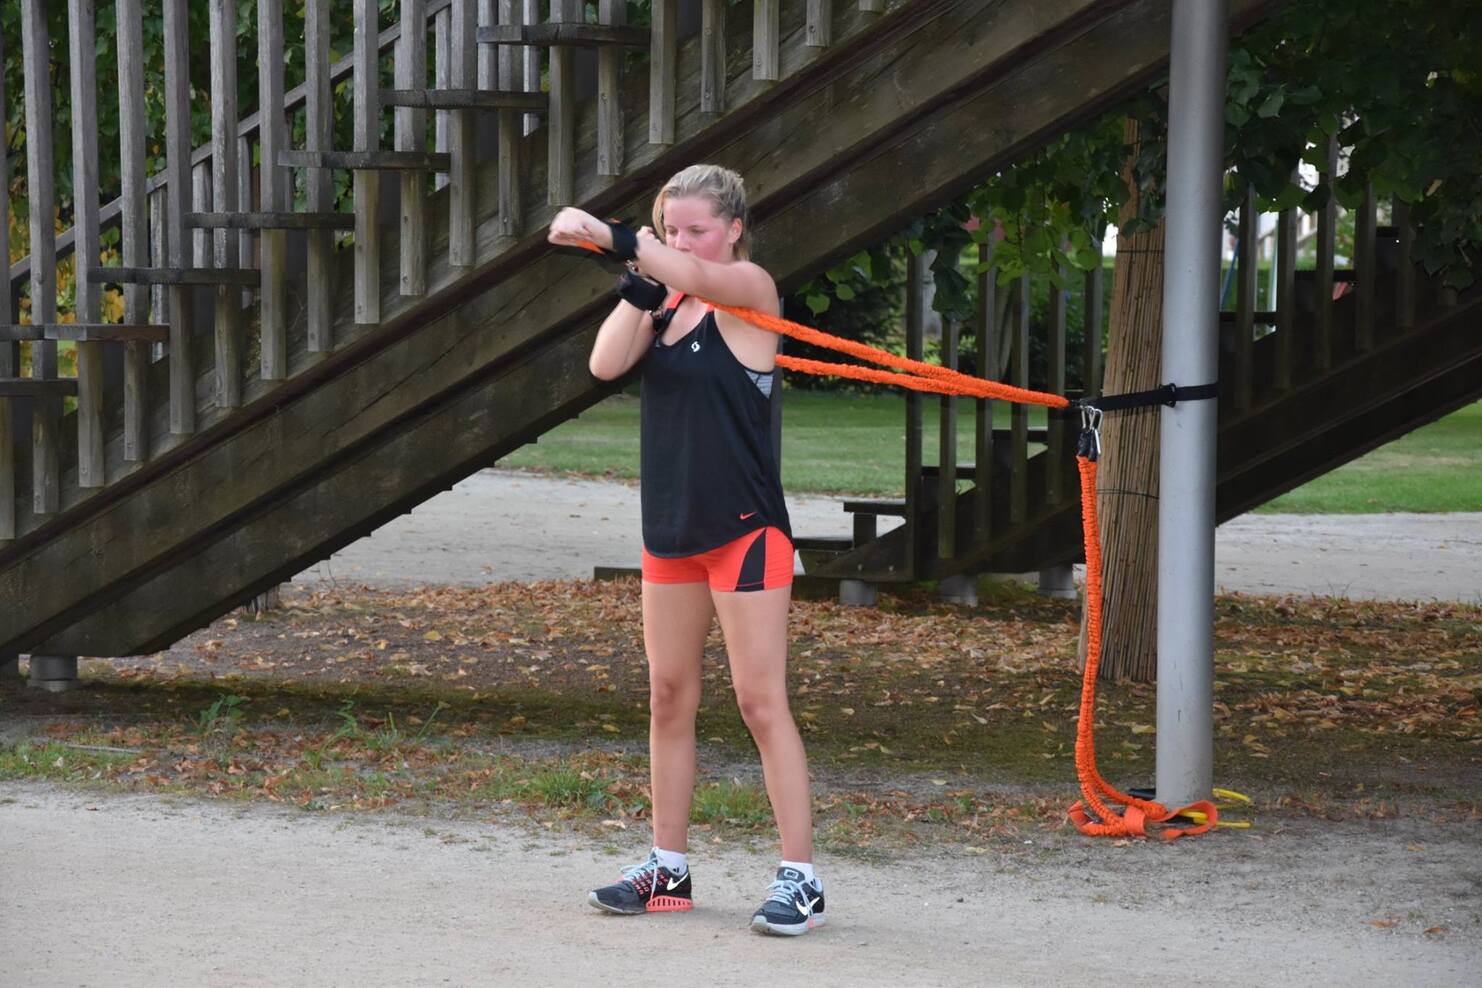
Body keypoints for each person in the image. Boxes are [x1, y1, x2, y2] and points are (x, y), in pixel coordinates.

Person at [546, 164, 824, 936]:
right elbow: (604, 364)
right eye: (671, 229)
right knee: (668, 696)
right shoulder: (665, 297)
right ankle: (667, 868)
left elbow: (699, 274)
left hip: (745, 531)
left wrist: (613, 237)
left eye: (697, 229)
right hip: (670, 532)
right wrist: (639, 285)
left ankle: (801, 878)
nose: (682, 242)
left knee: (760, 702)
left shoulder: (749, 289)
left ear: (733, 229)